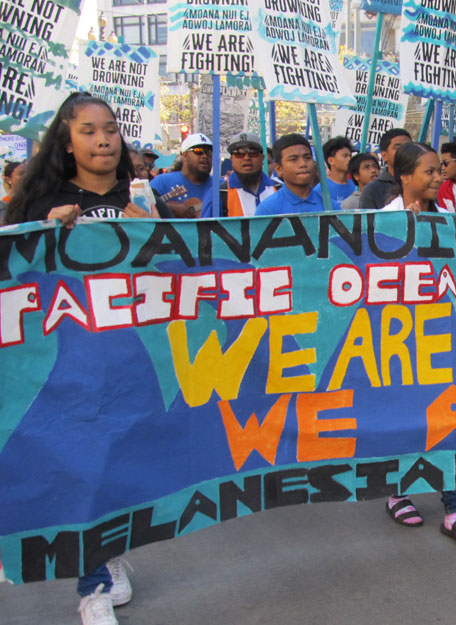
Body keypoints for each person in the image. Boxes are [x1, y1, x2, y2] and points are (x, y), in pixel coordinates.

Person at [3, 91, 173, 625]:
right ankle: (92, 589)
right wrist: (42, 236)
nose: (103, 139)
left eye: (111, 128)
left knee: (123, 460)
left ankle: (106, 542)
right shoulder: (41, 202)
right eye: (88, 130)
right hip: (71, 362)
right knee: (83, 461)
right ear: (67, 140)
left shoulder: (141, 194)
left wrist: (150, 229)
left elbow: (182, 273)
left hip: (136, 356)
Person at [380, 142, 456, 542]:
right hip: (397, 340)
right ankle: (398, 492)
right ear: (404, 176)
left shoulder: (445, 220)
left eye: (439, 170)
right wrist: (397, 237)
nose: (438, 177)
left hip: (443, 336)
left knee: (451, 418)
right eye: (429, 171)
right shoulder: (379, 221)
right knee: (406, 417)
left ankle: (454, 510)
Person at [201, 133, 279, 218]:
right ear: (232, 159)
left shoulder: (279, 189)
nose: (246, 158)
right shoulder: (218, 195)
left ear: (262, 158)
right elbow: (206, 230)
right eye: (239, 153)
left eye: (253, 153)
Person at [151, 132, 214, 218]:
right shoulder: (161, 182)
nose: (205, 156)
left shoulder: (221, 186)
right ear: (185, 156)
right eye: (198, 151)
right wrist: (168, 207)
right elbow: (143, 208)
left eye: (209, 152)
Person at [255, 134, 320, 216]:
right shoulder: (268, 210)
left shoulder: (330, 206)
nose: (303, 164)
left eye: (307, 158)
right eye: (294, 159)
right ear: (279, 169)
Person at [357, 128, 411, 209]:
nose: (404, 151)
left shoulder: (421, 184)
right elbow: (366, 221)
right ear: (384, 155)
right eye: (398, 147)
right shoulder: (372, 190)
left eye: (408, 147)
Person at [309, 136, 356, 211]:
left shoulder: (356, 186)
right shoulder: (320, 190)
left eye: (350, 155)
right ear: (331, 160)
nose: (349, 159)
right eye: (345, 156)